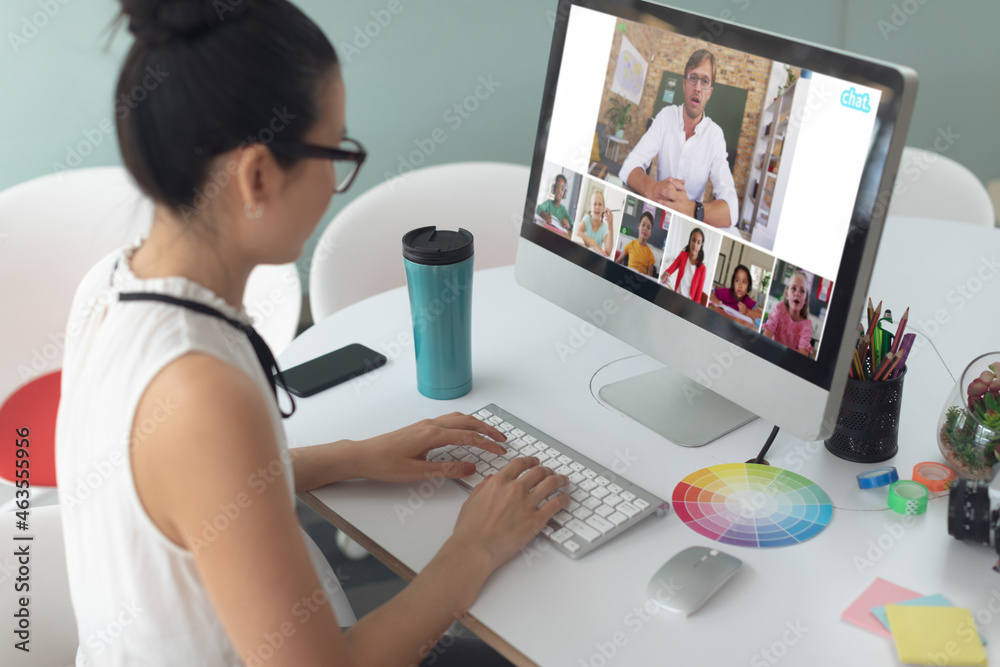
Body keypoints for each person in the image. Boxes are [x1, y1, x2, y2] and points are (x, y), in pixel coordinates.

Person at [55, 2, 569, 666]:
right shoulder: (201, 391)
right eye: (336, 152)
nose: (335, 182)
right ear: (258, 174)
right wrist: (475, 547)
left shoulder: (107, 286)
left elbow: (195, 490)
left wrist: (357, 454)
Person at [618, 49, 739, 231]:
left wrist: (691, 208)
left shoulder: (715, 136)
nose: (697, 87)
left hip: (689, 225)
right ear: (684, 84)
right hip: (658, 214)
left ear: (710, 92)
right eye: (693, 78)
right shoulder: (666, 116)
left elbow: (732, 210)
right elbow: (629, 165)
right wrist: (652, 189)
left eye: (704, 81)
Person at [763, 270, 814, 356]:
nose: (797, 293)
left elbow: (802, 356)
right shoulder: (779, 310)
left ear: (805, 299)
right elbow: (765, 338)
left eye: (802, 291)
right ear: (787, 294)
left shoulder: (806, 326)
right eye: (793, 288)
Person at [660, 227, 706, 302]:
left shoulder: (702, 269)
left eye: (698, 242)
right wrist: (665, 274)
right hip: (676, 297)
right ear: (689, 241)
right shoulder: (682, 256)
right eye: (693, 240)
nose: (695, 244)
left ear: (701, 246)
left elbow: (698, 297)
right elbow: (670, 270)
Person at [571, 190, 614, 257]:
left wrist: (610, 226)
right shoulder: (587, 218)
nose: (597, 206)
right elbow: (578, 233)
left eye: (600, 204)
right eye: (594, 204)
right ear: (591, 207)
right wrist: (594, 244)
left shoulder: (604, 227)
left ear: (603, 209)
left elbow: (608, 252)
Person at [615, 211, 656, 276]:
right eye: (643, 225)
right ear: (639, 226)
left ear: (650, 233)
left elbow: (649, 279)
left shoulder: (650, 255)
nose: (645, 229)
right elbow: (618, 262)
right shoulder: (630, 245)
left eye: (648, 227)